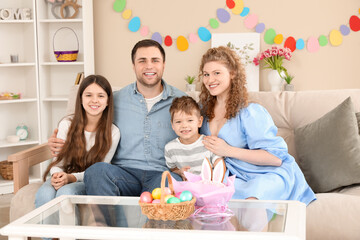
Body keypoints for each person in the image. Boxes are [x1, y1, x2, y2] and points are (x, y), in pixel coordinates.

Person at [48, 39, 186, 199]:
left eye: (155, 60)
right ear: (133, 66)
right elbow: (87, 126)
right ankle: (107, 224)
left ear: (163, 64)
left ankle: (147, 223)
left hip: (162, 173)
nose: (149, 66)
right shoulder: (115, 100)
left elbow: (198, 136)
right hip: (123, 174)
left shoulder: (182, 101)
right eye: (142, 61)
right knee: (97, 171)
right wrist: (59, 141)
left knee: (169, 185)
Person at [198, 46, 316, 205]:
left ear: (232, 73)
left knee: (254, 196)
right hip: (233, 177)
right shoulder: (202, 113)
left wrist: (227, 150)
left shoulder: (250, 112)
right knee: (215, 195)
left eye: (217, 73)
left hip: (267, 174)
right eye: (206, 74)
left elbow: (275, 159)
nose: (210, 80)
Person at [35, 74, 120, 210]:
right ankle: (45, 232)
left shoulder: (113, 132)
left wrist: (70, 178)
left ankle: (69, 232)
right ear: (80, 99)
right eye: (88, 95)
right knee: (45, 194)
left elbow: (100, 171)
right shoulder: (66, 124)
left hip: (87, 180)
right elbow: (59, 162)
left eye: (100, 96)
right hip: (64, 174)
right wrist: (57, 175)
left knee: (66, 193)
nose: (94, 100)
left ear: (108, 101)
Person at [165, 96, 224, 180]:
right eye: (178, 122)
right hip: (186, 189)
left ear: (199, 122)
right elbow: (173, 168)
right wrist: (180, 171)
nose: (184, 126)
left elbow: (219, 163)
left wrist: (215, 180)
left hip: (208, 186)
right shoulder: (170, 148)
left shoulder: (208, 143)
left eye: (190, 120)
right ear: (172, 125)